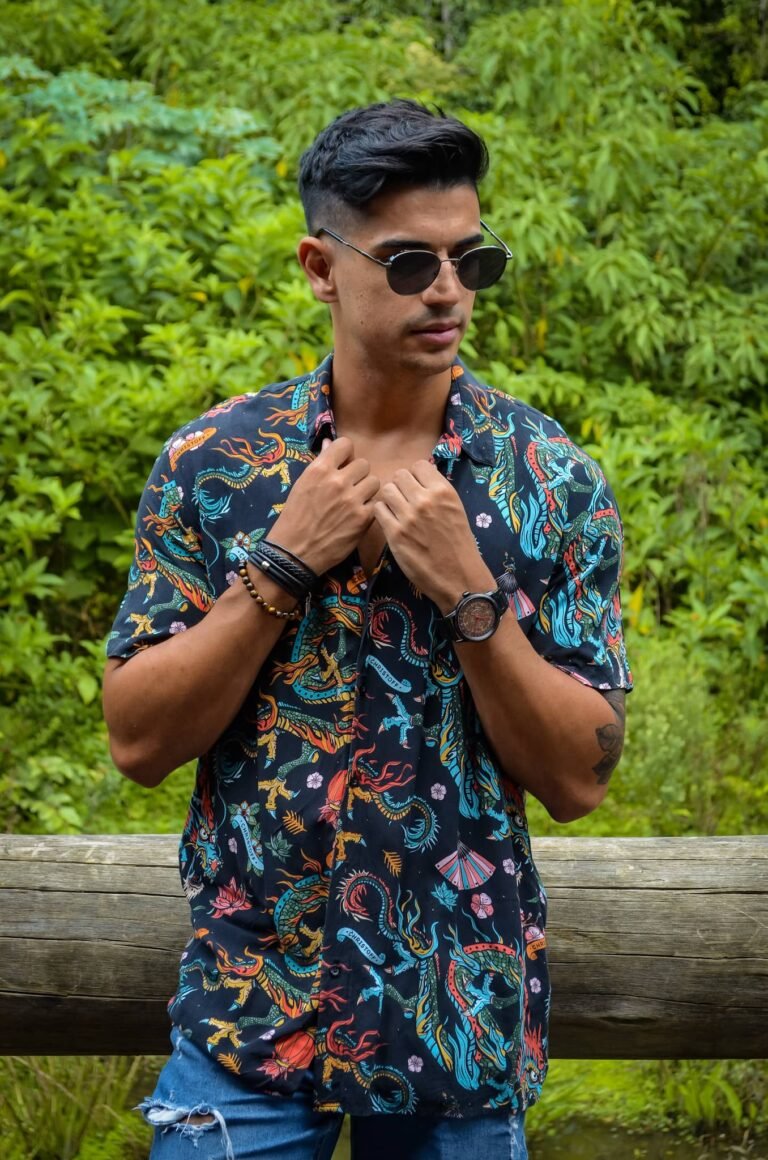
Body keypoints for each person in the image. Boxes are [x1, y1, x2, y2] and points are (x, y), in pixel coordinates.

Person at [103, 99, 632, 1160]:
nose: (447, 290)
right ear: (320, 267)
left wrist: (470, 593)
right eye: (408, 263)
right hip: (251, 1016)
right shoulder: (217, 465)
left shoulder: (549, 480)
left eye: (471, 261)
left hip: (457, 1024)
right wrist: (281, 564)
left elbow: (580, 775)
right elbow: (138, 740)